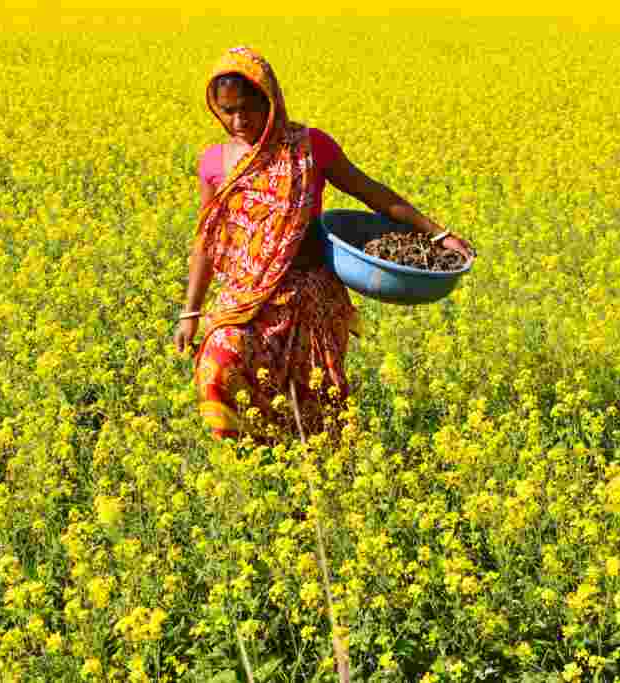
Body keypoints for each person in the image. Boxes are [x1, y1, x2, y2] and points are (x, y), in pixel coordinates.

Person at [173, 46, 476, 441]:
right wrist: (190, 311)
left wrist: (438, 234)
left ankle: (317, 485)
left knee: (313, 403)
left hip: (308, 296)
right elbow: (206, 241)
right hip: (246, 298)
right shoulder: (213, 163)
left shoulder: (309, 146)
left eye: (248, 107)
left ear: (271, 99)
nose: (239, 120)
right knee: (217, 365)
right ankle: (250, 467)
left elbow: (375, 195)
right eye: (227, 110)